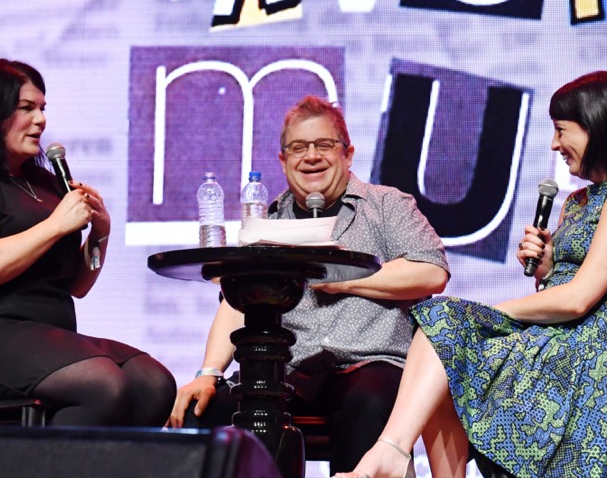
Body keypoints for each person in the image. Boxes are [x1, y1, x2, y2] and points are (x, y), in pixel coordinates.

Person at [335, 70, 607, 478]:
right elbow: (569, 287)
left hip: (602, 345)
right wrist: (547, 269)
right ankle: (394, 453)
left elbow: (579, 298)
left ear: (597, 124)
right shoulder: (578, 202)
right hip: (567, 335)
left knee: (448, 329)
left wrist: (499, 311)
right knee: (445, 346)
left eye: (562, 131)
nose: (554, 144)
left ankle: (387, 456)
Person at [168, 95, 449, 475]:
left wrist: (343, 279)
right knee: (207, 408)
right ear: (283, 161)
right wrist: (207, 374)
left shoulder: (386, 205)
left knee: (371, 401)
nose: (311, 156)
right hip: (289, 372)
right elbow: (237, 303)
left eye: (324, 145)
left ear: (348, 154)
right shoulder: (268, 220)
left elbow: (431, 272)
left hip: (369, 364)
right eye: (298, 148)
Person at [0, 59, 176, 426]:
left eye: (42, 108)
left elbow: (77, 285)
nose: (40, 120)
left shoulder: (43, 183)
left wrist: (100, 232)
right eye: (26, 108)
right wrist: (56, 225)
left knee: (154, 383)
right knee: (102, 384)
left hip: (42, 336)